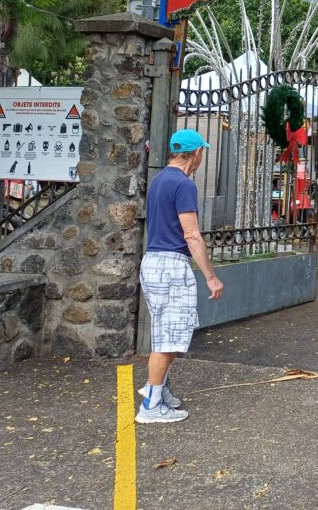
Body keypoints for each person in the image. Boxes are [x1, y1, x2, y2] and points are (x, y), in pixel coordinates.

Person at [136, 129, 223, 424]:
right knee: (169, 340)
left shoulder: (160, 179)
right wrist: (210, 276)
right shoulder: (184, 185)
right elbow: (192, 235)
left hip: (152, 262)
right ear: (196, 153)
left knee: (166, 334)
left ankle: (156, 387)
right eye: (202, 152)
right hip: (171, 265)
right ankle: (151, 405)